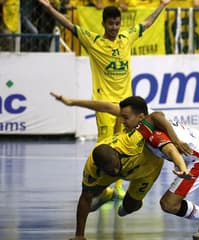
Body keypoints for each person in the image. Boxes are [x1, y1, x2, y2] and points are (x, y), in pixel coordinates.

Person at [50, 92, 199, 240]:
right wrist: (72, 102)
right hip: (197, 138)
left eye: (125, 117)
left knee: (168, 204)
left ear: (140, 117)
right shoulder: (141, 118)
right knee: (185, 167)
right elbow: (104, 106)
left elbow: (170, 146)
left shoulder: (150, 132)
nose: (121, 121)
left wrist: (178, 154)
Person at [38, 0, 171, 197]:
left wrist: (162, 5)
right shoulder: (94, 41)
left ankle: (117, 186)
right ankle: (102, 186)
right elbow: (68, 25)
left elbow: (147, 23)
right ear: (103, 24)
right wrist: (49, 9)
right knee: (106, 145)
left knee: (125, 144)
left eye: (117, 23)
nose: (114, 28)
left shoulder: (127, 37)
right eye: (111, 24)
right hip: (105, 104)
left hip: (126, 107)